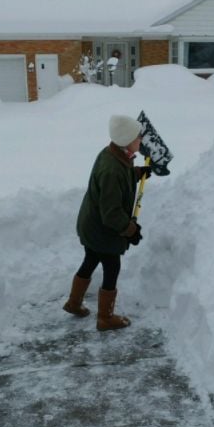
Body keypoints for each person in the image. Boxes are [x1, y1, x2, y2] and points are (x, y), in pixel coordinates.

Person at [63, 114, 151, 331]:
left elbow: (122, 174)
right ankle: (105, 317)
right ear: (127, 139)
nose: (141, 139)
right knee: (112, 267)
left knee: (90, 259)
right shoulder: (111, 170)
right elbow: (111, 214)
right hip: (102, 230)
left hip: (92, 226)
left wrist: (137, 173)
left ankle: (74, 303)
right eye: (137, 136)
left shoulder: (113, 154)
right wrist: (130, 230)